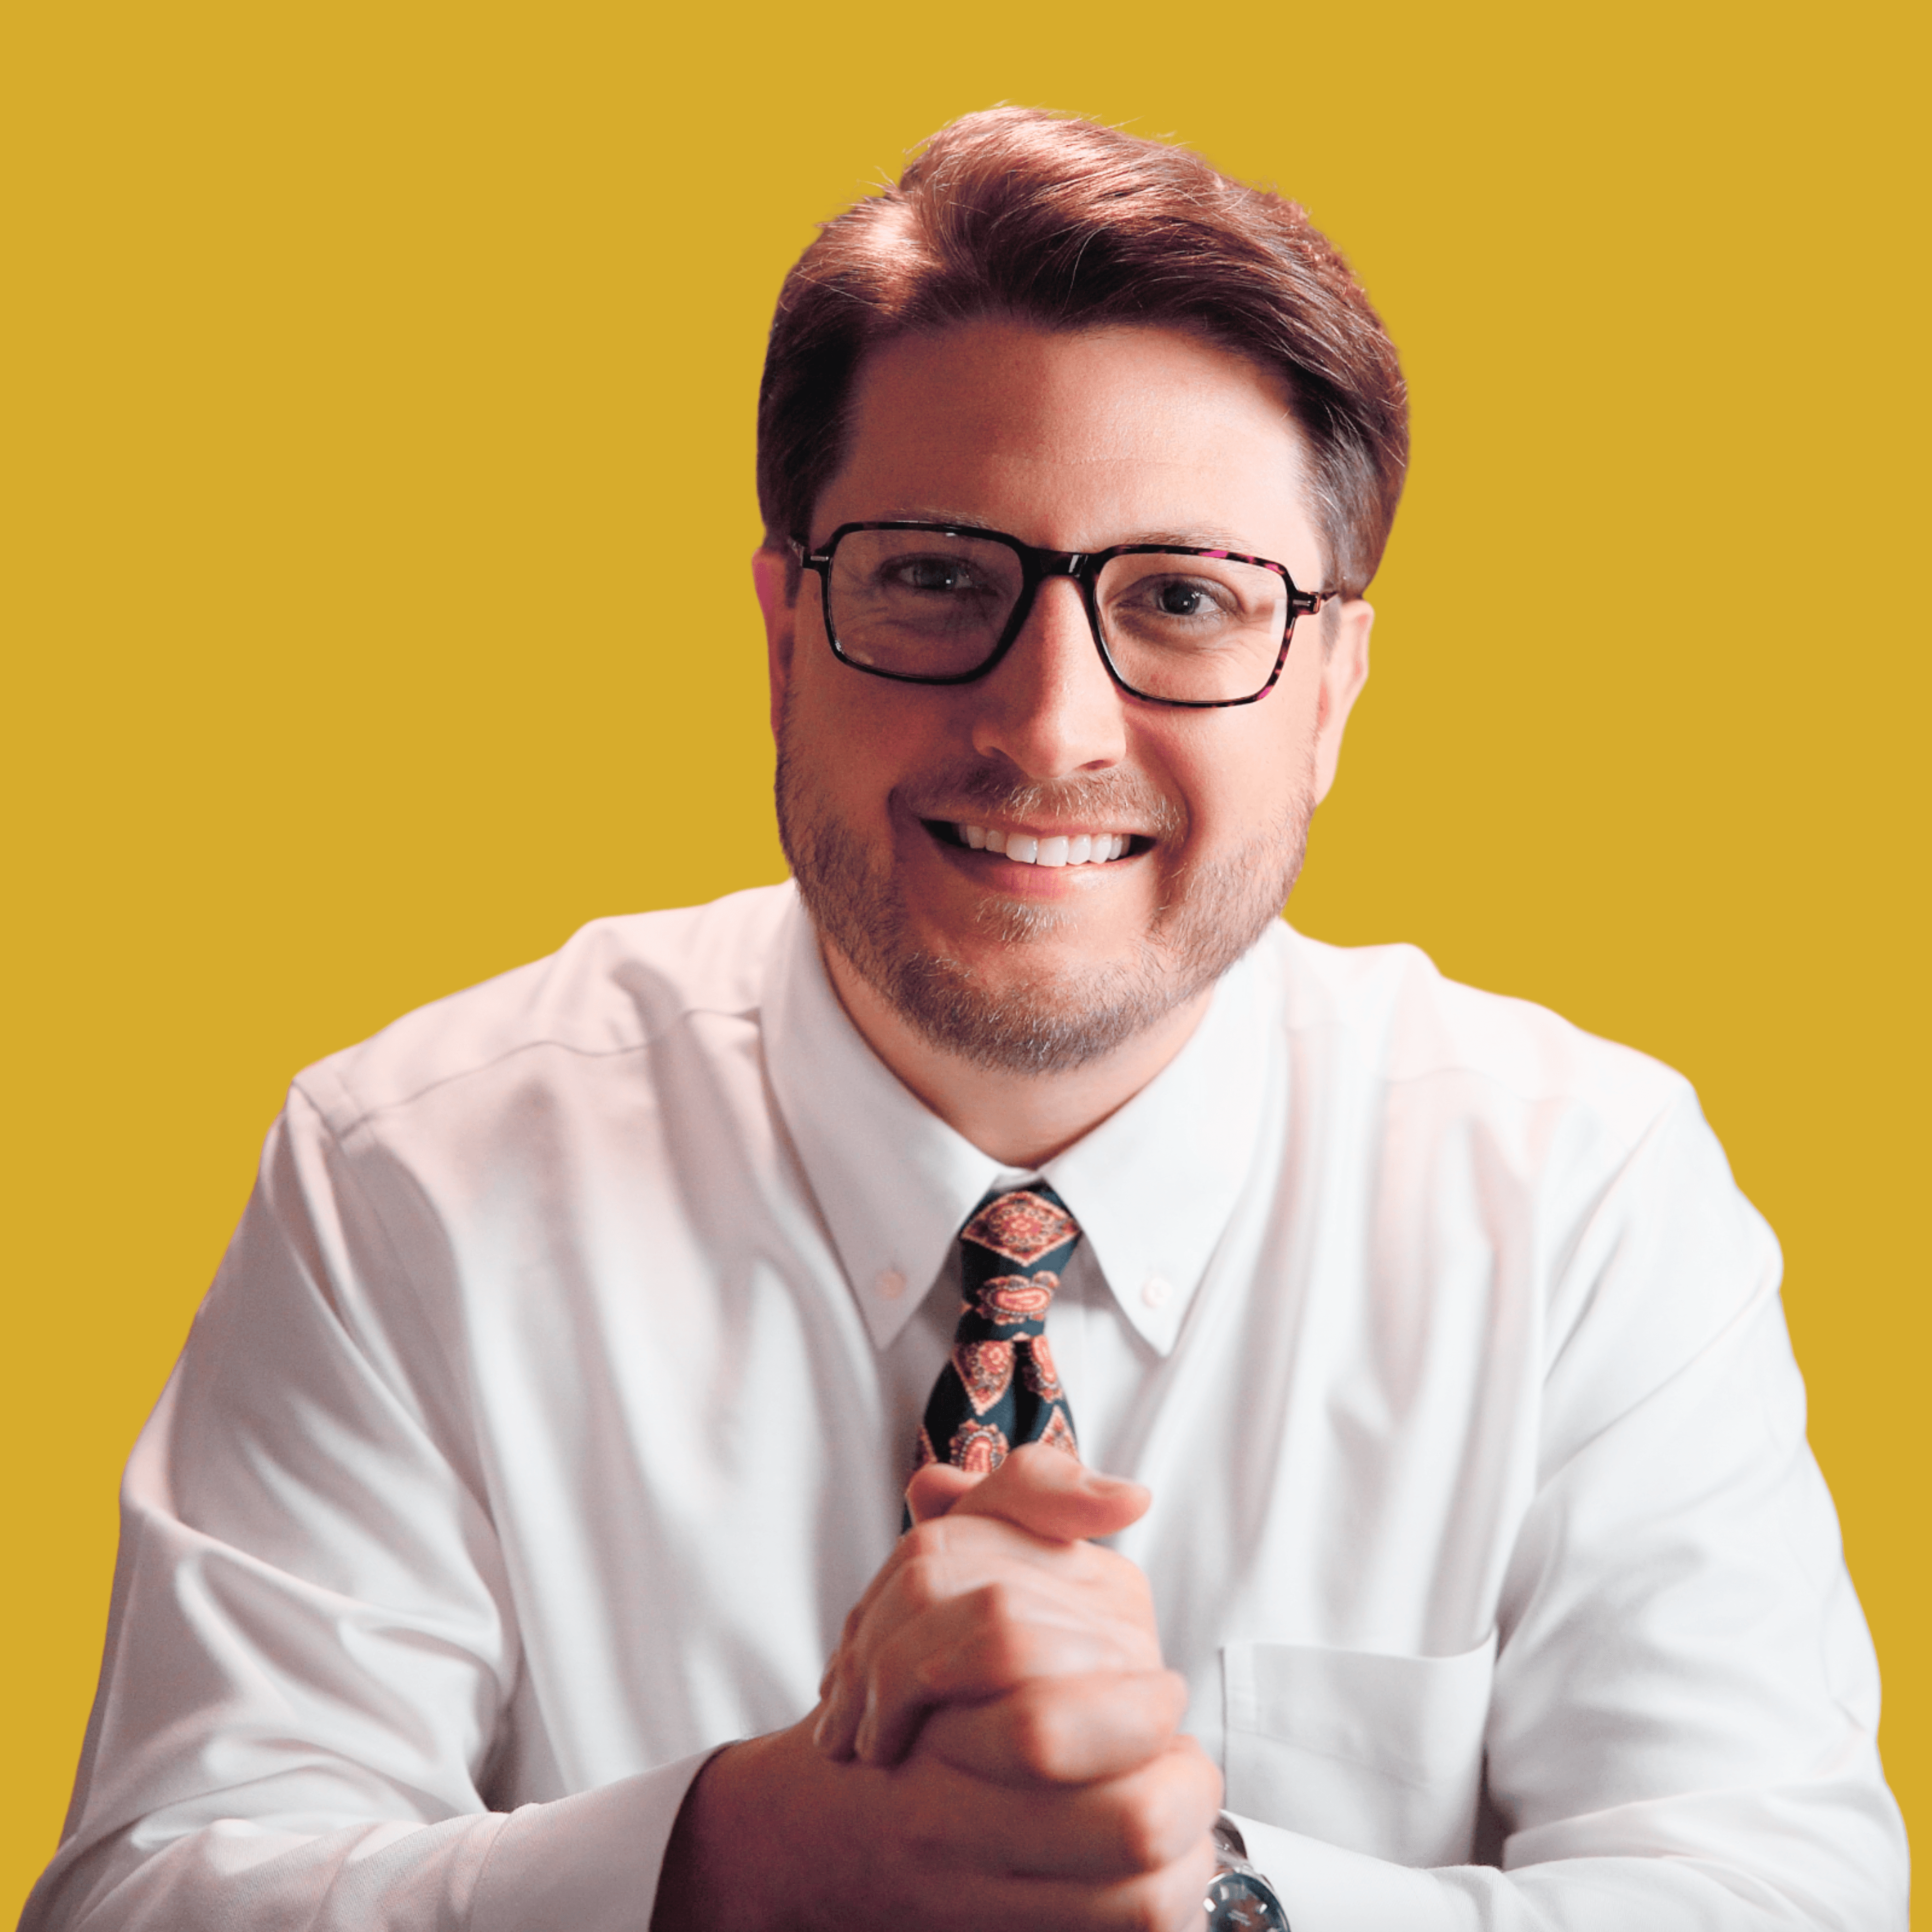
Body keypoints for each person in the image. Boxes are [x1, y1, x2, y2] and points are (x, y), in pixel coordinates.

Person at [22, 107, 1907, 1932]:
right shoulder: (407, 1175)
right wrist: (718, 1869)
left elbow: (1778, 1897)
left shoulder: (1580, 1193)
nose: (1048, 725)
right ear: (782, 630)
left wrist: (1211, 1892)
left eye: (1182, 598)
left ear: (1329, 684)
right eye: (938, 579)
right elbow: (154, 1887)